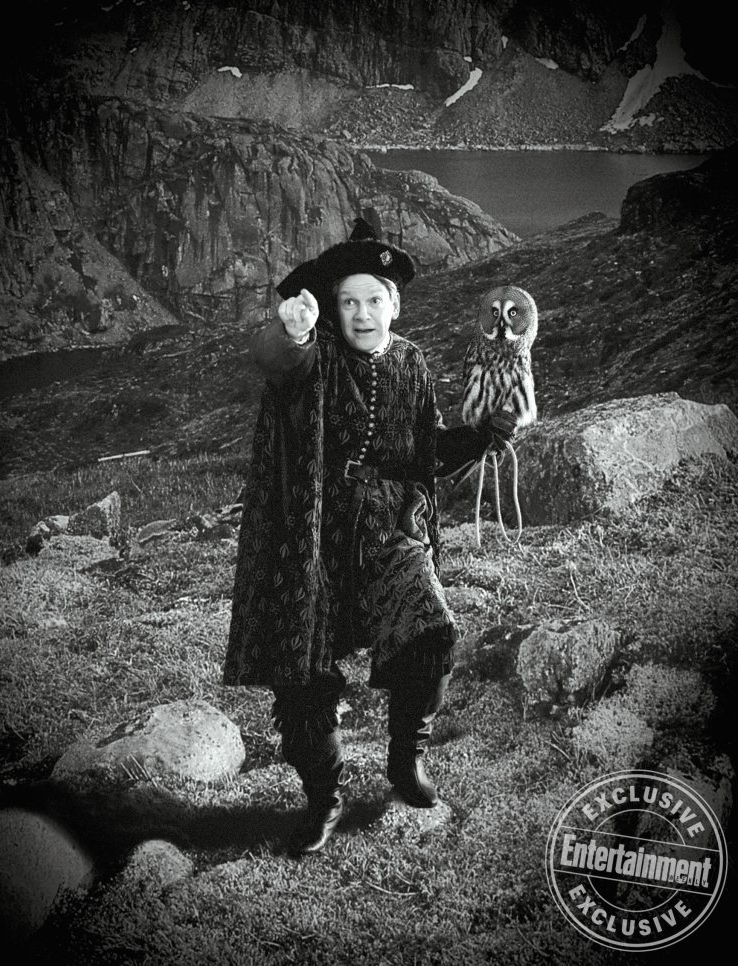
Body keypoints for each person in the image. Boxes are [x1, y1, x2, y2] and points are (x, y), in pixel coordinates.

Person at [222, 218, 516, 855]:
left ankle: (406, 761)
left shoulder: (411, 361)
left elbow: (426, 449)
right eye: (348, 302)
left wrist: (482, 436)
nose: (361, 314)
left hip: (390, 527)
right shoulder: (316, 354)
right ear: (333, 308)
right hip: (313, 534)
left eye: (373, 300)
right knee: (302, 672)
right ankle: (324, 799)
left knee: (431, 631)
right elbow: (277, 359)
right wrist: (291, 330)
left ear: (394, 304)